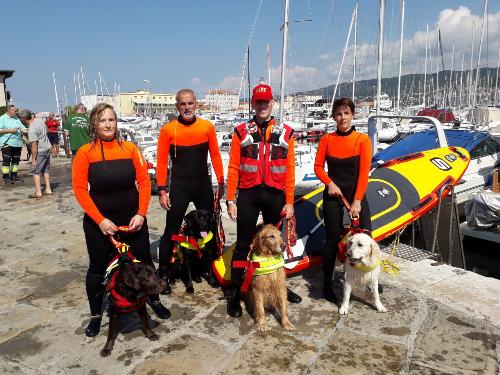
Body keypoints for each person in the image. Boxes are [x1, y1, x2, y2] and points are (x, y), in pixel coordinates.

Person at [72, 103, 170, 338]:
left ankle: (153, 300)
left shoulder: (130, 148)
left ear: (117, 122)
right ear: (94, 124)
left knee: (145, 262)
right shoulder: (85, 152)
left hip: (132, 219)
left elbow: (145, 183)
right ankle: (96, 316)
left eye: (111, 120)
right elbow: (79, 189)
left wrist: (141, 213)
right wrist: (100, 220)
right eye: (102, 120)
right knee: (97, 269)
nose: (108, 124)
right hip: (100, 223)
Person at [226, 83, 301, 318]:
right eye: (258, 102)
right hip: (248, 194)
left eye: (266, 101)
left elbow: (290, 171)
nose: (262, 105)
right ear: (253, 104)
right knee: (242, 245)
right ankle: (234, 293)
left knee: (278, 245)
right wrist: (230, 199)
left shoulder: (286, 133)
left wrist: (289, 202)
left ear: (272, 103)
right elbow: (234, 167)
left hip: (275, 195)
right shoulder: (241, 132)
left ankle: (281, 288)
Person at [156, 89, 224, 292]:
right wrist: (162, 190)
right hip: (179, 188)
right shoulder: (168, 130)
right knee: (171, 231)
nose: (187, 107)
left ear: (196, 104)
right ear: (177, 106)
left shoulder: (207, 127)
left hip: (203, 186)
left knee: (209, 229)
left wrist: (221, 183)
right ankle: (164, 272)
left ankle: (209, 269)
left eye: (190, 103)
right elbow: (161, 162)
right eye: (182, 104)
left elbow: (216, 156)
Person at [313, 97, 372, 304]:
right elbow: (318, 167)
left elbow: (364, 173)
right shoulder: (327, 140)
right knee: (331, 240)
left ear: (352, 115)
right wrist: (329, 182)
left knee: (367, 237)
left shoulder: (362, 140)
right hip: (333, 195)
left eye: (346, 113)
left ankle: (365, 279)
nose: (342, 117)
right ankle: (327, 284)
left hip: (356, 195)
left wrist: (357, 201)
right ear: (334, 117)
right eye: (338, 114)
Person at [18, 109, 53, 198]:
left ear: (23, 119)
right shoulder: (39, 120)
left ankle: (38, 192)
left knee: (35, 172)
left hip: (40, 151)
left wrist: (33, 159)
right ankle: (48, 189)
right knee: (45, 170)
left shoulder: (31, 129)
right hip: (48, 148)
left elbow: (34, 146)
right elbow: (47, 131)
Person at [0, 105, 27, 184]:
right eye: (14, 111)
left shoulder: (16, 118)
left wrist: (28, 129)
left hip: (17, 143)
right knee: (7, 161)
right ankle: (6, 177)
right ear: (9, 110)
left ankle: (14, 175)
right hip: (7, 143)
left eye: (16, 111)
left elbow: (22, 128)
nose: (16, 112)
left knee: (16, 161)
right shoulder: (2, 118)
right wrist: (9, 130)